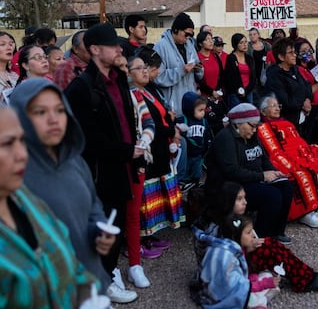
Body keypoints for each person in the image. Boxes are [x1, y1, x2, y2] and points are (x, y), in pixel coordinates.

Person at [0, 98, 97, 307]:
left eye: (22, 141)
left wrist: (88, 295)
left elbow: (70, 260)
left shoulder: (22, 196)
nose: (22, 154)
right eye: (7, 143)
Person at [9, 78, 115, 291]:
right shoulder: (11, 174)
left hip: (91, 284)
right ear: (19, 117)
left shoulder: (74, 159)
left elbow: (93, 205)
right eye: (40, 112)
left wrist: (100, 230)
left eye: (59, 110)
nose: (53, 120)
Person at [64, 23, 141, 303]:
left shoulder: (119, 79)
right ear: (95, 50)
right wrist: (126, 151)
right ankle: (98, 285)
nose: (120, 49)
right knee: (101, 231)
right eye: (113, 45)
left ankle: (104, 280)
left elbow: (127, 122)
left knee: (116, 226)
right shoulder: (80, 89)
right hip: (97, 174)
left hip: (122, 166)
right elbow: (86, 139)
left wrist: (134, 153)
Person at [191, 182, 318, 306]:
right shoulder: (216, 227)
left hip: (238, 258)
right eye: (239, 199)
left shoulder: (235, 218)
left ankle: (304, 275)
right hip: (226, 273)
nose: (245, 202)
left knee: (269, 244)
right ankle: (304, 279)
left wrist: (249, 245)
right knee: (267, 250)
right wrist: (248, 247)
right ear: (227, 202)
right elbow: (222, 259)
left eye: (244, 198)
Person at [205, 103, 294, 243]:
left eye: (256, 126)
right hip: (229, 185)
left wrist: (275, 173)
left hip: (251, 179)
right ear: (238, 124)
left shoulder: (252, 135)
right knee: (272, 195)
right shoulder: (225, 138)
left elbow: (264, 159)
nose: (255, 129)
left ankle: (277, 230)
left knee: (287, 187)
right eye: (252, 125)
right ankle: (260, 235)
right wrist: (262, 176)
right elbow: (231, 171)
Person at [128, 54, 184, 250]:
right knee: (145, 197)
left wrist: (172, 126)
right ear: (128, 73)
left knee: (155, 195)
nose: (144, 70)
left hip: (160, 147)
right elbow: (149, 124)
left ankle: (150, 236)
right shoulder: (132, 95)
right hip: (147, 150)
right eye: (138, 68)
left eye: (145, 67)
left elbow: (160, 117)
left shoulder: (148, 90)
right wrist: (172, 130)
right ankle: (141, 240)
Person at [257, 95, 318, 227]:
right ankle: (305, 213)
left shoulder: (286, 123)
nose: (277, 108)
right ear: (263, 111)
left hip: (297, 156)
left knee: (317, 167)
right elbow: (273, 151)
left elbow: (298, 142)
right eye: (273, 106)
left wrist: (306, 154)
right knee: (300, 173)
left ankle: (314, 208)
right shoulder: (262, 128)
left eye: (278, 106)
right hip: (279, 159)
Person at [153, 12, 203, 117]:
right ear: (176, 30)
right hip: (173, 108)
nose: (189, 37)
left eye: (191, 35)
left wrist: (199, 70)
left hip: (191, 105)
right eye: (186, 34)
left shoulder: (189, 45)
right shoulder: (161, 47)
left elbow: (198, 75)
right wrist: (181, 71)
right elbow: (157, 78)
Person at [264, 38, 313, 134]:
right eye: (290, 53)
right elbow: (285, 100)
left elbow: (306, 86)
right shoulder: (274, 77)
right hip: (286, 123)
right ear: (281, 57)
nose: (294, 55)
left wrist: (308, 99)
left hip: (301, 119)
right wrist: (302, 105)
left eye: (294, 52)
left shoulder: (295, 69)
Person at [295, 40, 318, 145]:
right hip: (309, 107)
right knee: (308, 137)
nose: (308, 53)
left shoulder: (314, 66)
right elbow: (307, 91)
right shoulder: (298, 69)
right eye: (303, 51)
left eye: (309, 50)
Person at [177, 92, 213, 183]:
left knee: (197, 174)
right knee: (184, 175)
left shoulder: (204, 122)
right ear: (190, 109)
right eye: (200, 110)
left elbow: (207, 134)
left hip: (199, 155)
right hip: (187, 155)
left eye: (204, 110)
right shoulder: (183, 120)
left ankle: (195, 190)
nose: (202, 113)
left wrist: (208, 143)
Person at [197, 31, 227, 134]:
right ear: (200, 43)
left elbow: (221, 75)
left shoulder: (215, 56)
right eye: (207, 40)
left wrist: (218, 91)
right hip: (205, 97)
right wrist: (211, 92)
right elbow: (198, 79)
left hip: (217, 96)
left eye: (211, 39)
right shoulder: (198, 57)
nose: (210, 42)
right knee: (210, 126)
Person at [225, 33, 255, 109]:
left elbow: (253, 76)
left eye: (246, 42)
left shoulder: (249, 58)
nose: (245, 45)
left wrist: (247, 90)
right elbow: (229, 77)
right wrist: (239, 90)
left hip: (248, 91)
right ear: (236, 45)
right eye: (241, 43)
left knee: (250, 114)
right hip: (235, 93)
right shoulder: (231, 58)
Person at [248, 27, 272, 98]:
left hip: (266, 73)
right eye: (250, 35)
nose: (252, 36)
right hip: (254, 75)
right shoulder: (247, 46)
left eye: (254, 34)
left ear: (258, 35)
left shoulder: (267, 45)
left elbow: (271, 56)